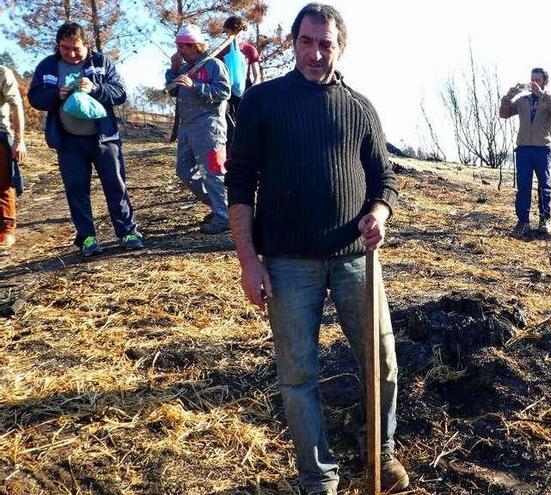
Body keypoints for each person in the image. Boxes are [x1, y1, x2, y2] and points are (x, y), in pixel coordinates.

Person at [225, 4, 408, 495]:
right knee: (299, 373)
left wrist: (380, 214)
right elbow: (239, 183)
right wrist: (249, 261)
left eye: (326, 43)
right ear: (293, 43)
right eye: (307, 41)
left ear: (340, 47)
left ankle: (381, 454)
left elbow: (385, 180)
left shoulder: (360, 107)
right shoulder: (263, 102)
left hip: (355, 259)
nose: (315, 52)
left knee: (382, 362)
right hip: (286, 264)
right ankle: (317, 477)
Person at [28, 22, 142, 255]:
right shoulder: (48, 66)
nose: (70, 53)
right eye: (64, 48)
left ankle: (128, 232)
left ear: (86, 45)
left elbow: (120, 93)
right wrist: (55, 94)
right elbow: (35, 97)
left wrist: (95, 88)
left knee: (115, 185)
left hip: (104, 138)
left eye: (76, 49)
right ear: (58, 46)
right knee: (77, 189)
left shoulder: (101, 63)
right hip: (68, 141)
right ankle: (87, 238)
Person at [166, 24, 231, 234]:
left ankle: (224, 217)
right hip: (188, 128)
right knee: (184, 170)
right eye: (177, 47)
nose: (179, 52)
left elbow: (224, 91)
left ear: (194, 46)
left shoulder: (214, 65)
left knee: (213, 172)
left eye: (182, 47)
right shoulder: (185, 68)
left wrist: (196, 86)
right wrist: (173, 70)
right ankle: (220, 206)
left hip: (210, 128)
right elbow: (172, 90)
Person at [499, 67, 551, 237]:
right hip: (523, 150)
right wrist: (508, 96)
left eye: (538, 79)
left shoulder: (550, 99)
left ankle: (545, 220)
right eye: (532, 79)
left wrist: (542, 94)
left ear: (545, 81)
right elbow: (504, 114)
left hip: (542, 149)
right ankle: (523, 222)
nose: (534, 82)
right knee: (523, 186)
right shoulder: (522, 101)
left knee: (544, 186)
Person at [218, 15, 262, 157]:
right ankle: (230, 154)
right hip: (227, 90)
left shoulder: (249, 49)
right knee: (229, 122)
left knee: (246, 122)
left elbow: (257, 75)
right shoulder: (221, 51)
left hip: (246, 89)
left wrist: (254, 90)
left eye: (237, 31)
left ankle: (250, 152)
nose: (234, 35)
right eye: (230, 31)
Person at [0, 64, 26, 255]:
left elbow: (17, 105)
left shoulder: (2, 73)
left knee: (3, 183)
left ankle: (6, 230)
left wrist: (19, 140)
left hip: (0, 134)